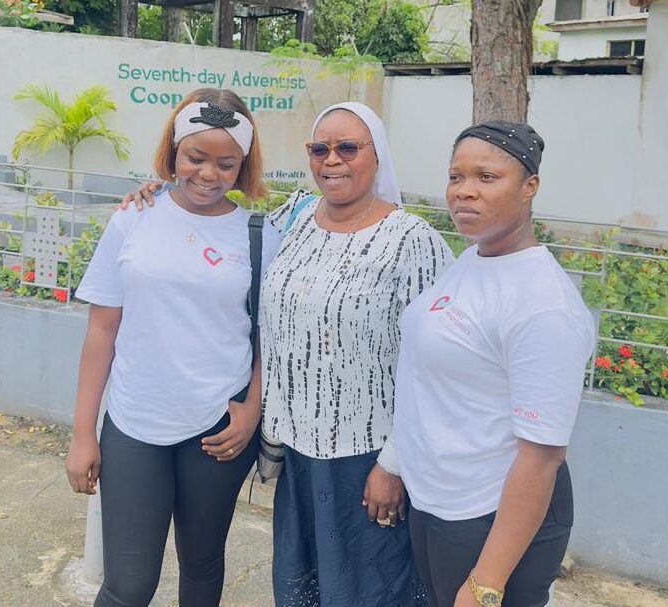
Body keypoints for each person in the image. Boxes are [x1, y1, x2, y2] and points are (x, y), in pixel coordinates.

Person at [123, 102, 453, 606]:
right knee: (304, 585)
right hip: (297, 454)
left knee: (368, 589)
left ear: (378, 154)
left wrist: (395, 464)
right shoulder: (294, 218)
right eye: (319, 149)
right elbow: (210, 216)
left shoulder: (413, 240)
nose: (332, 160)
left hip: (367, 458)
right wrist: (159, 194)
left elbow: (433, 366)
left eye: (348, 147)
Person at [65, 88, 280, 607]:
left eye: (226, 164)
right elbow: (102, 332)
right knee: (128, 585)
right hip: (135, 424)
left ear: (243, 165)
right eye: (195, 158)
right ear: (174, 151)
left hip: (218, 430)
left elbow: (269, 337)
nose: (208, 174)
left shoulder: (259, 234)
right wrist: (82, 433)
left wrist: (252, 409)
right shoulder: (133, 217)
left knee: (202, 565)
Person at [393, 121, 595, 607]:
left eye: (486, 177)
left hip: (489, 515)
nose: (464, 191)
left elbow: (542, 457)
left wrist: (486, 584)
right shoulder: (473, 260)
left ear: (530, 186)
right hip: (438, 501)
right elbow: (425, 380)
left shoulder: (543, 306)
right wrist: (394, 463)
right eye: (455, 176)